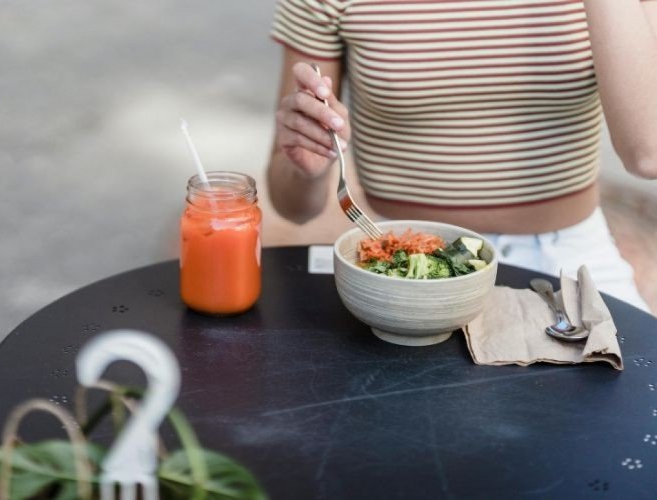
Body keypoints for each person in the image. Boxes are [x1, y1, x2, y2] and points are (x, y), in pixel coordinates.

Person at [267, 0, 657, 312]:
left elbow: (647, 153)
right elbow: (292, 206)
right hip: (403, 263)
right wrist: (310, 166)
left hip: (567, 259)